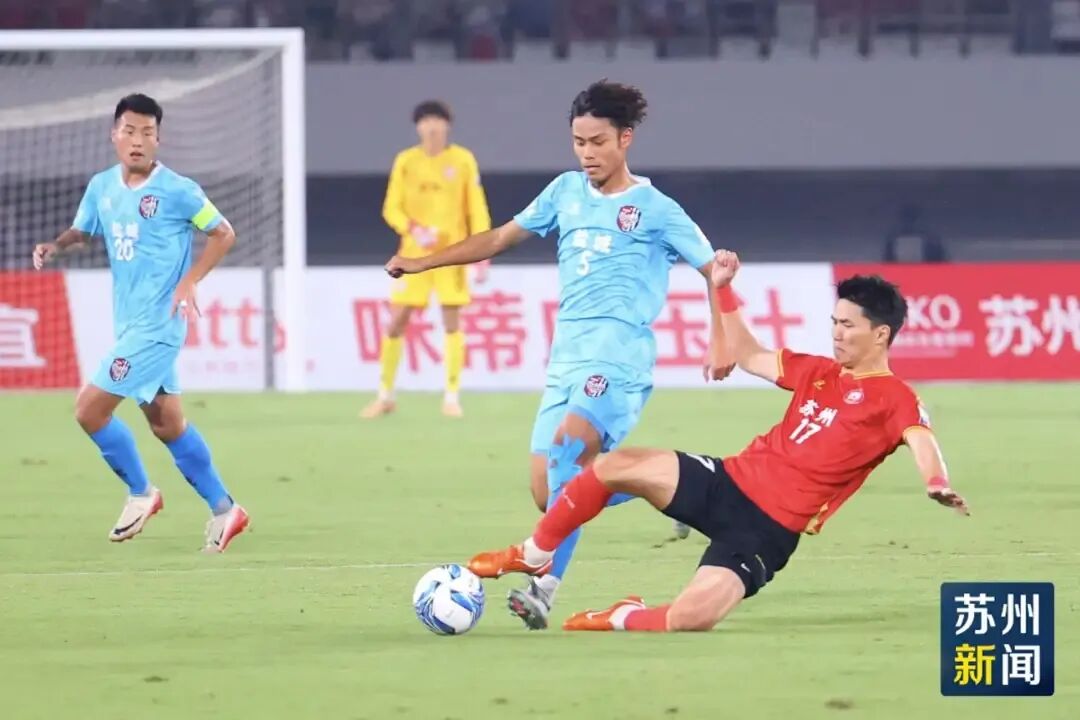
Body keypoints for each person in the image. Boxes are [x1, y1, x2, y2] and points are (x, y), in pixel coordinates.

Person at [386, 81, 733, 630]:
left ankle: (542, 588)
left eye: (597, 142)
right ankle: (679, 483)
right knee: (550, 493)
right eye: (578, 142)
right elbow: (498, 238)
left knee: (570, 450)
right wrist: (423, 262)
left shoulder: (656, 209)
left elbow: (715, 269)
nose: (587, 153)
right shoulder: (564, 192)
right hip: (566, 357)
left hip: (618, 356)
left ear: (625, 139)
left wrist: (721, 338)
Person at [467, 252, 970, 632]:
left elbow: (921, 438)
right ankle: (536, 552)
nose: (836, 334)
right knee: (615, 465)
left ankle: (620, 616)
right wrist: (723, 290)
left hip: (767, 533)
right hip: (728, 481)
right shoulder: (818, 372)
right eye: (834, 323)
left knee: (690, 619)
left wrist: (936, 481)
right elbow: (748, 354)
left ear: (880, 335)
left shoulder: (895, 397)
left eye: (848, 326)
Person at [32, 93, 249, 553]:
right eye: (129, 131)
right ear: (114, 135)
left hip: (159, 327)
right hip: (130, 326)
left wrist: (190, 280)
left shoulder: (179, 190)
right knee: (168, 424)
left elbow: (223, 233)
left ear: (158, 140)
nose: (138, 140)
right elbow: (84, 231)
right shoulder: (102, 187)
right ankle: (226, 509)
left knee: (89, 410)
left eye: (147, 133)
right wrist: (56, 245)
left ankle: (141, 493)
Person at [361, 100, 493, 419]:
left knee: (451, 319)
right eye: (425, 121)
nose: (432, 127)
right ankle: (385, 395)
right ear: (417, 127)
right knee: (396, 320)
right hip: (413, 255)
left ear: (447, 125)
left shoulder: (462, 160)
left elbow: (476, 207)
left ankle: (451, 396)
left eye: (437, 120)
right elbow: (391, 207)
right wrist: (413, 229)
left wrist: (483, 249)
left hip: (452, 253)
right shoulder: (406, 161)